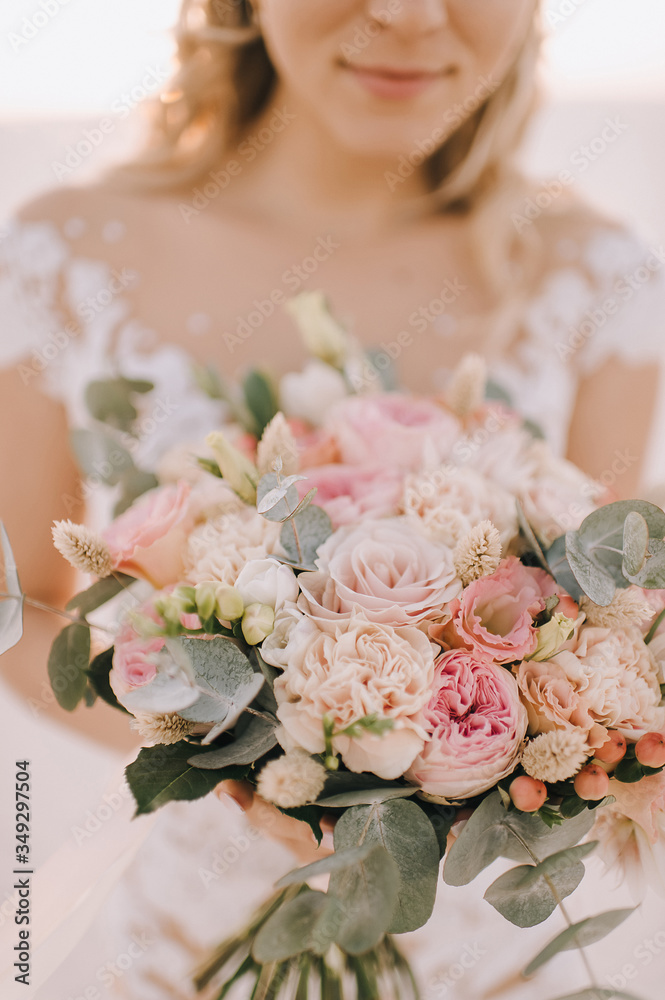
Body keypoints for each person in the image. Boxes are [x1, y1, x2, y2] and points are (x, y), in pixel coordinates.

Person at [1, 1, 664, 996]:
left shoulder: (592, 277)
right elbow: (28, 612)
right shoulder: (70, 255)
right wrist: (225, 757)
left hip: (473, 957)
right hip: (181, 931)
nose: (403, 13)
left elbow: (597, 625)